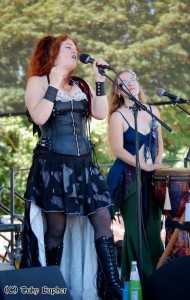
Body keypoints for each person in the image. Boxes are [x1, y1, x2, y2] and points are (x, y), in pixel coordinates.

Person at [19, 33, 123, 300]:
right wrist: (53, 84)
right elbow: (40, 116)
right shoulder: (37, 82)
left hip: (85, 166)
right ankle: (51, 290)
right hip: (53, 166)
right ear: (53, 52)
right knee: (55, 230)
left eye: (76, 47)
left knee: (103, 218)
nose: (75, 51)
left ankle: (112, 289)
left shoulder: (80, 84)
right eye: (68, 47)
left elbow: (99, 113)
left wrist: (99, 81)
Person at [107, 70, 166, 282]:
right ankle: (137, 282)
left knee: (152, 228)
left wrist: (157, 164)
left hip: (151, 177)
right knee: (135, 231)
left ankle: (159, 279)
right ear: (118, 91)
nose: (131, 84)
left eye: (133, 79)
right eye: (124, 82)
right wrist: (144, 166)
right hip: (128, 179)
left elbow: (159, 143)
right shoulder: (118, 115)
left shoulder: (152, 111)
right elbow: (119, 151)